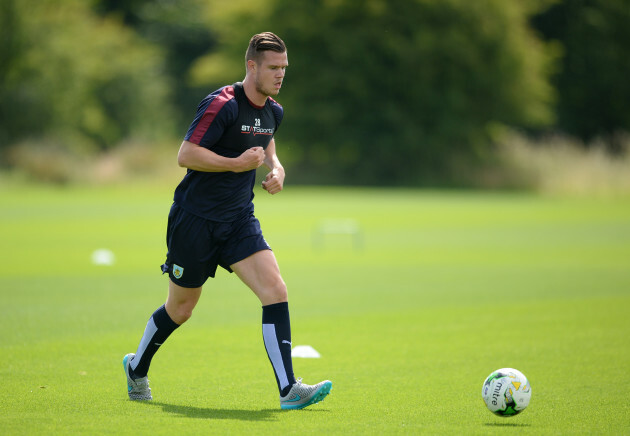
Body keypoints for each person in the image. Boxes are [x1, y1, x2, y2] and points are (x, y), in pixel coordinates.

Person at [122, 32, 332, 410]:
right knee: (181, 309)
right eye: (273, 68)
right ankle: (136, 367)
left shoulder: (274, 111)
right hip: (194, 220)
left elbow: (267, 141)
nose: (280, 75)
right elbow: (185, 154)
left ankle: (289, 390)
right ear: (251, 66)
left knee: (275, 290)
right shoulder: (222, 105)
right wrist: (236, 165)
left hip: (238, 219)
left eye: (284, 68)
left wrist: (277, 168)